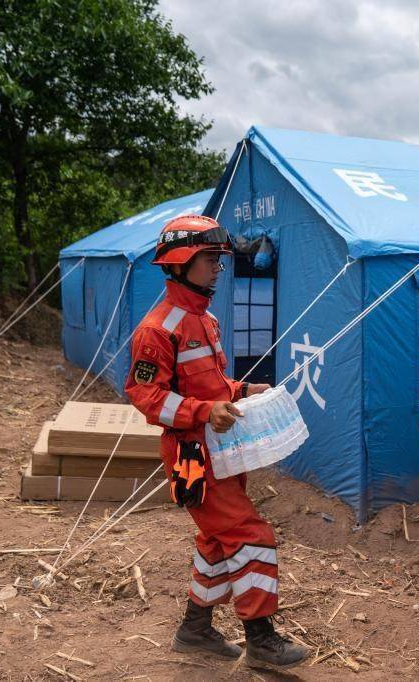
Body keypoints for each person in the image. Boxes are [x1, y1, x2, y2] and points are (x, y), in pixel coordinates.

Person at [125, 214, 308, 670]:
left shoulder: (201, 319)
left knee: (215, 538)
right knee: (251, 535)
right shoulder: (157, 328)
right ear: (181, 262)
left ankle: (196, 629)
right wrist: (203, 412)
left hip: (220, 448)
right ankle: (261, 640)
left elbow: (209, 384)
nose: (217, 268)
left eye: (219, 260)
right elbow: (145, 397)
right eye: (209, 259)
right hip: (192, 455)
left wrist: (243, 391)